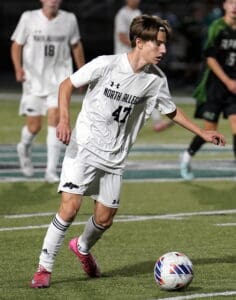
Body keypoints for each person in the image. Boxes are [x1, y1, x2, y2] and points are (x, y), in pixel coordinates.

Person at [30, 14, 225, 288]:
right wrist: (63, 118)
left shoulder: (156, 80)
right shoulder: (106, 64)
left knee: (104, 219)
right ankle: (44, 268)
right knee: (70, 208)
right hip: (84, 148)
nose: (164, 49)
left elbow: (170, 110)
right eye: (158, 44)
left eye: (164, 44)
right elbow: (66, 85)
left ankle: (82, 248)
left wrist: (202, 133)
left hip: (115, 158)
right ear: (139, 42)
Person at [11, 0, 85, 183]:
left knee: (56, 119)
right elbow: (16, 44)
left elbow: (76, 45)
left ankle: (50, 171)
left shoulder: (69, 19)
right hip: (33, 82)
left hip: (59, 81)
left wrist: (82, 71)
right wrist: (18, 68)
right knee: (34, 126)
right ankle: (24, 147)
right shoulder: (28, 17)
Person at [180, 0, 236, 181]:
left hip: (233, 89)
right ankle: (187, 156)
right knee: (209, 131)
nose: (235, 6)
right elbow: (210, 58)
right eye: (231, 2)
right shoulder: (216, 27)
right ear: (225, 5)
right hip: (215, 87)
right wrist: (227, 80)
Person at [114, 0, 173, 132]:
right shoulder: (122, 14)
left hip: (139, 59)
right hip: (126, 59)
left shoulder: (138, 13)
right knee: (130, 90)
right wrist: (139, 46)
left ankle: (157, 120)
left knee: (146, 87)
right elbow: (121, 36)